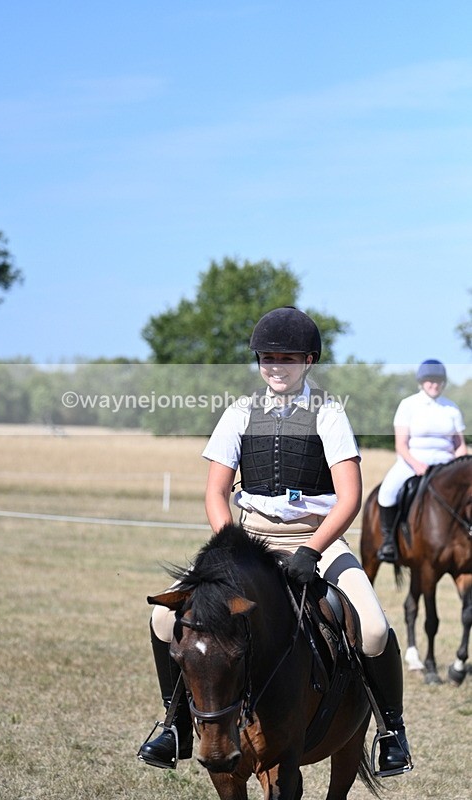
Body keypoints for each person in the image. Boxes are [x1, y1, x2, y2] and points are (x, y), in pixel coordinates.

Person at [138, 306, 412, 777]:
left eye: (286, 357)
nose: (275, 366)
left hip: (316, 537)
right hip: (249, 537)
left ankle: (392, 731)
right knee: (165, 618)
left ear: (308, 360)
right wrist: (228, 543)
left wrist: (311, 550)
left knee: (371, 628)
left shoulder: (328, 414)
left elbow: (350, 496)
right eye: (267, 357)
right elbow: (216, 490)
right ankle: (175, 724)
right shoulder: (239, 413)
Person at [377, 359, 467, 563]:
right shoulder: (408, 405)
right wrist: (417, 465)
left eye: (438, 381)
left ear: (443, 382)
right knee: (387, 492)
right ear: (421, 382)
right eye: (429, 381)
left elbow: (459, 444)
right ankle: (389, 541)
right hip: (413, 462)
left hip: (446, 465)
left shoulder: (451, 408)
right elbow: (401, 445)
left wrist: (460, 463)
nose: (434, 384)